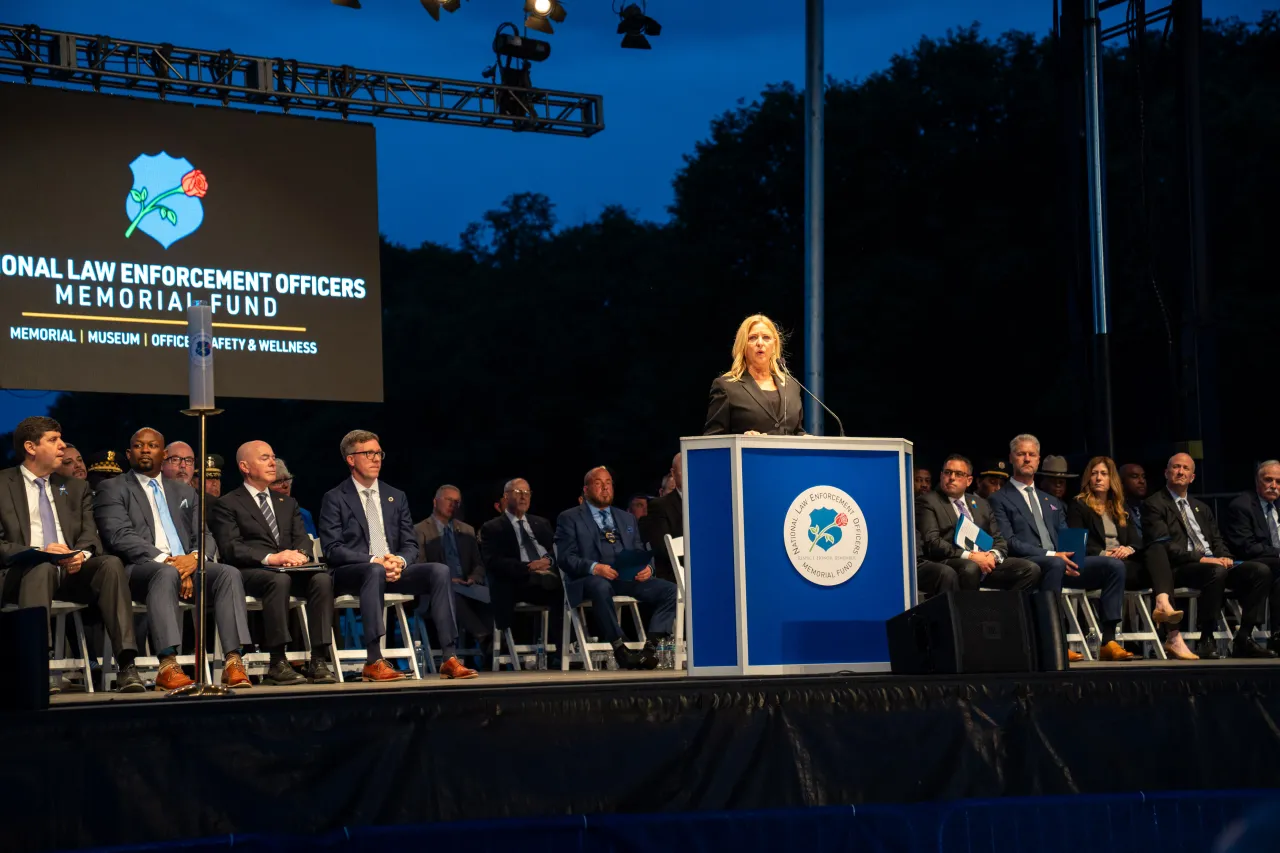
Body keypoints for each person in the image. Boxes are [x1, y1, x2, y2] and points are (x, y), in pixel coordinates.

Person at [94, 427, 255, 689]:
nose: (145, 450)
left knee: (228, 573)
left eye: (152, 445)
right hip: (140, 570)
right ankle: (167, 664)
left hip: (186, 566)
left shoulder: (184, 492)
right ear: (128, 453)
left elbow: (204, 535)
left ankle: (233, 662)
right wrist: (170, 562)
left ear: (164, 453)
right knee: (165, 573)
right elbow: (119, 535)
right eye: (138, 446)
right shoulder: (112, 488)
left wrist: (194, 559)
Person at [318, 429, 477, 681]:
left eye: (379, 453)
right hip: (355, 572)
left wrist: (399, 561)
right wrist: (375, 560)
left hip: (392, 567)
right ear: (351, 459)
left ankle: (449, 656)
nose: (376, 458)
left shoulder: (396, 496)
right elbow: (332, 549)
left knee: (439, 570)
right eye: (368, 453)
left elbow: (410, 544)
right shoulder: (335, 498)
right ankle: (373, 660)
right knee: (374, 570)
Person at [0, 417, 143, 693]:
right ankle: (37, 666)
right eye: (53, 440)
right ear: (30, 447)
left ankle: (127, 665)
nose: (62, 445)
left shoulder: (74, 487)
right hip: (19, 573)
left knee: (110, 564)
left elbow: (90, 536)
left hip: (70, 571)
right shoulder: (3, 484)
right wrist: (37, 552)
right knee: (40, 567)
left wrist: (82, 554)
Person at [990, 434, 1132, 661]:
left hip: (1062, 563)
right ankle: (1055, 640)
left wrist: (1071, 555)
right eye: (1021, 454)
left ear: (1038, 460)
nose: (1027, 459)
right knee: (1055, 563)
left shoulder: (1051, 501)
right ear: (1011, 458)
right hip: (1032, 563)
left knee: (1113, 566)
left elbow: (1067, 537)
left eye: (1032, 454)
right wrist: (1052, 555)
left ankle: (1108, 640)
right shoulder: (999, 498)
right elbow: (1008, 541)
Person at [209, 440, 336, 685]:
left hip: (288, 570)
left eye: (272, 457)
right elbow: (230, 547)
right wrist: (271, 558)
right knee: (277, 579)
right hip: (251, 572)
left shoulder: (287, 503)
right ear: (245, 467)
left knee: (321, 579)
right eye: (264, 458)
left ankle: (319, 659)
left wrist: (299, 556)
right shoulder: (228, 503)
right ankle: (277, 660)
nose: (271, 463)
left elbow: (303, 540)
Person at [1142, 453, 1274, 659]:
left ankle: (1244, 637)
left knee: (1260, 571)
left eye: (1186, 469)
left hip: (1212, 563)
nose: (1180, 472)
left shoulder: (1200, 507)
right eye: (1176, 467)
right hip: (1181, 567)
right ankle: (1207, 638)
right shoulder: (1154, 503)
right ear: (1166, 473)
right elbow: (1163, 546)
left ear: (1193, 477)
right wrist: (1203, 559)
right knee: (1216, 571)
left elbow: (1216, 540)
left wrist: (1224, 556)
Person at [1067, 456, 1195, 659]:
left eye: (1104, 474)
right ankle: (1109, 640)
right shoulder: (1078, 505)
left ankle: (1163, 604)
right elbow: (1076, 543)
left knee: (1156, 549)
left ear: (1112, 479)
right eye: (1094, 473)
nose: (1099, 478)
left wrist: (1129, 548)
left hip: (1124, 565)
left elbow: (1137, 540)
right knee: (1115, 565)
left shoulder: (1119, 507)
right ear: (1088, 478)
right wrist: (1105, 553)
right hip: (1099, 565)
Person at [555, 466, 677, 670]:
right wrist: (595, 567)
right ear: (586, 490)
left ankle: (650, 650)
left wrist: (647, 568)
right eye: (598, 483)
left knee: (671, 591)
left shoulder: (626, 518)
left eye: (608, 483)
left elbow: (639, 549)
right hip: (590, 579)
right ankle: (620, 649)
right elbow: (565, 558)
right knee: (600, 586)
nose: (605, 488)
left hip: (625, 578)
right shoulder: (570, 517)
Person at [915, 454, 1041, 594]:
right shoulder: (928, 501)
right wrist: (971, 556)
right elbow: (933, 543)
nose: (952, 477)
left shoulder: (981, 504)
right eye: (948, 472)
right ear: (941, 475)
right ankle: (970, 614)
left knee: (1030, 569)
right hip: (952, 561)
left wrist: (992, 556)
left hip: (984, 562)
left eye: (958, 474)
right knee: (970, 567)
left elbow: (999, 540)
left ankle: (1003, 612)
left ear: (969, 480)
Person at [477, 478, 565, 659]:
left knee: (568, 589)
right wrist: (529, 567)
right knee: (557, 586)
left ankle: (564, 652)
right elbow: (494, 562)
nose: (524, 497)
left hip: (548, 576)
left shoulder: (541, 523)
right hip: (518, 580)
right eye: (518, 492)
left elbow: (557, 550)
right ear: (506, 497)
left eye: (527, 493)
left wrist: (547, 561)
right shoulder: (492, 528)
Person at [414, 484, 493, 654]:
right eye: (449, 500)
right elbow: (419, 566)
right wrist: (447, 579)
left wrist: (473, 577)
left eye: (457, 502)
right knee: (450, 591)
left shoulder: (466, 530)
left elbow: (479, 564)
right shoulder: (420, 530)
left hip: (467, 586)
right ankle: (483, 636)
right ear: (435, 502)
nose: (453, 505)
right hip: (436, 590)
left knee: (492, 595)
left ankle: (492, 652)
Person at [704, 313, 805, 436]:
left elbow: (796, 431)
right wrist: (743, 438)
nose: (760, 343)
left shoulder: (792, 386)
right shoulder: (726, 387)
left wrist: (807, 439)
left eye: (766, 337)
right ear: (743, 346)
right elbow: (713, 439)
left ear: (774, 345)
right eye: (752, 338)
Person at [1219, 459, 1280, 653]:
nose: (1274, 486)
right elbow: (1248, 548)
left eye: (1278, 482)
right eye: (1268, 480)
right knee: (1266, 571)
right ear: (1257, 481)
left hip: (1273, 566)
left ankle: (1277, 635)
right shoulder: (1242, 505)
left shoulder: (1278, 506)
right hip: (1241, 567)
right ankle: (1244, 636)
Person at [640, 452, 683, 583]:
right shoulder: (660, 506)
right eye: (684, 469)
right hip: (674, 574)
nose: (690, 474)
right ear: (674, 473)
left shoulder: (709, 503)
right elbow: (663, 550)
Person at [269, 457, 317, 538]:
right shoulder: (259, 518)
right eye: (278, 481)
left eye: (287, 479)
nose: (285, 485)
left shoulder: (304, 515)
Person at [1119, 463, 1148, 537]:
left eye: (1143, 477)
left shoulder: (1149, 506)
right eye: (1135, 477)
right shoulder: (1116, 508)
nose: (1142, 481)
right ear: (1121, 482)